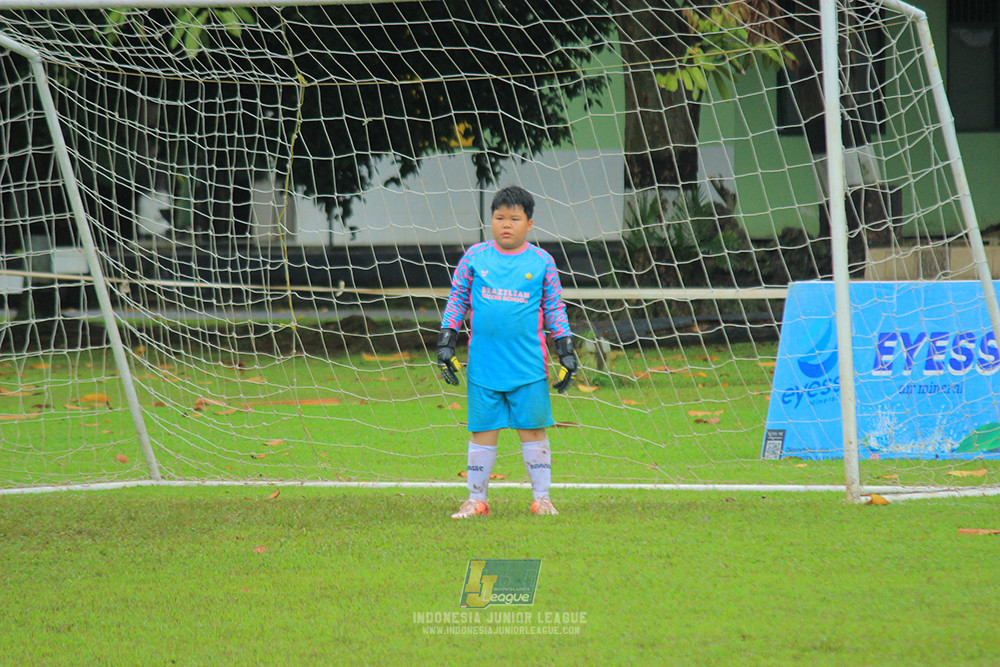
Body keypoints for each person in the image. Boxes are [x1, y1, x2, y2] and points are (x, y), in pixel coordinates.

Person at [437, 185, 578, 519]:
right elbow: (457, 299)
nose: (506, 224)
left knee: (532, 429)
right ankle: (476, 500)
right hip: (484, 365)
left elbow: (554, 308)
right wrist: (446, 341)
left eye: (514, 218)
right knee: (482, 431)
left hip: (528, 366)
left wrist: (566, 349)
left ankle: (542, 498)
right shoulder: (475, 257)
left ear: (529, 223)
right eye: (499, 217)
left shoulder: (542, 261)